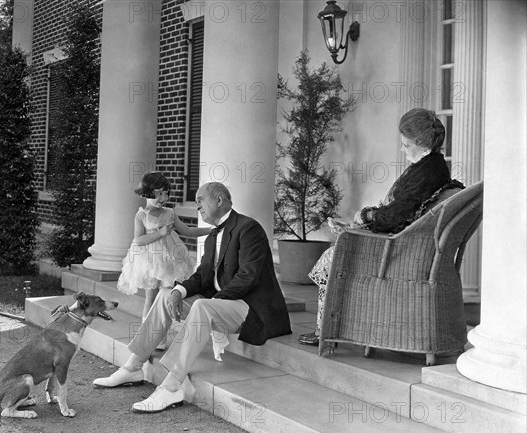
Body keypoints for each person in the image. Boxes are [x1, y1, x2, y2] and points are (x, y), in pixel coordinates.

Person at [94, 182, 292, 412]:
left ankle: (172, 386)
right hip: (222, 303)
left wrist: (217, 301)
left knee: (202, 306)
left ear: (219, 200)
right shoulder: (211, 236)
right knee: (166, 294)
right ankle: (133, 366)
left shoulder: (249, 228)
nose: (196, 205)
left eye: (200, 200)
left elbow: (249, 275)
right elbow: (202, 277)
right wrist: (180, 291)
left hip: (251, 307)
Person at [298, 108, 464, 346]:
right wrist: (362, 222)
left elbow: (396, 215)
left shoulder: (427, 172)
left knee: (331, 257)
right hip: (403, 244)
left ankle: (325, 330)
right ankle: (335, 326)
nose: (402, 149)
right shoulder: (430, 167)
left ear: (421, 143)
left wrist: (366, 216)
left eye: (406, 145)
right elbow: (402, 211)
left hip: (398, 252)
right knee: (338, 246)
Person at [117, 172, 212, 320]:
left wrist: (210, 230)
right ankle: (147, 333)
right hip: (150, 262)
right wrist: (160, 233)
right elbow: (139, 240)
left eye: (166, 194)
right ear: (147, 192)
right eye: (159, 194)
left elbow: (187, 230)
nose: (163, 198)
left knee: (166, 296)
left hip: (170, 259)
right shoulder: (142, 215)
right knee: (151, 299)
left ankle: (160, 333)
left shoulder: (169, 213)